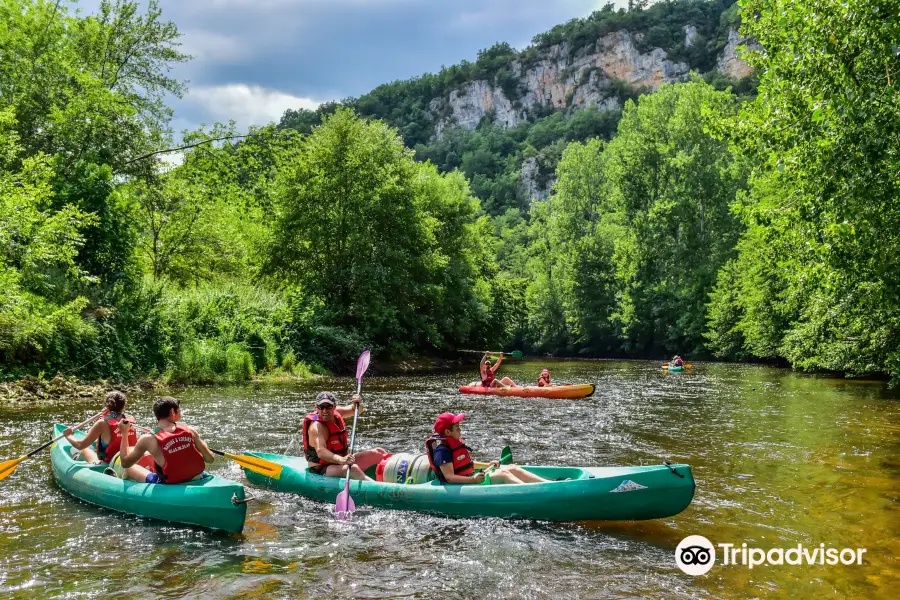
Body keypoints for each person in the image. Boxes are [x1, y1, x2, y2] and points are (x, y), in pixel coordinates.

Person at [424, 413, 551, 485]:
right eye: (457, 428)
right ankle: (535, 491)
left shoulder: (454, 445)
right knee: (503, 473)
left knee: (512, 468)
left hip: (470, 478)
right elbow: (449, 477)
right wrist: (472, 480)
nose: (460, 430)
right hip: (462, 485)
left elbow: (467, 464)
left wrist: (487, 465)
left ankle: (548, 484)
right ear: (447, 432)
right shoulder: (442, 451)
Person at [116, 396, 215, 484]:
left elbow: (125, 463)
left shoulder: (148, 439)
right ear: (172, 412)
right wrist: (205, 448)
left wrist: (124, 433)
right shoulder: (191, 431)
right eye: (179, 410)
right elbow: (210, 459)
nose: (180, 412)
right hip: (196, 478)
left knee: (129, 469)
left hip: (169, 484)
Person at [302, 391, 388, 481]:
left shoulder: (337, 413)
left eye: (329, 407)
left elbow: (357, 410)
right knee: (352, 469)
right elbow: (321, 452)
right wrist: (341, 460)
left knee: (379, 453)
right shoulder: (316, 426)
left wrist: (357, 404)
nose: (325, 411)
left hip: (340, 462)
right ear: (316, 407)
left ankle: (396, 476)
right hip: (321, 469)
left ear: (334, 406)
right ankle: (382, 490)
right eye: (321, 407)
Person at [63, 391, 147, 479]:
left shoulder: (102, 424)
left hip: (108, 463)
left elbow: (79, 445)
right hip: (129, 460)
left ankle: (76, 457)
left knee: (84, 449)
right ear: (124, 406)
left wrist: (68, 435)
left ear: (107, 406)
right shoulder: (130, 420)